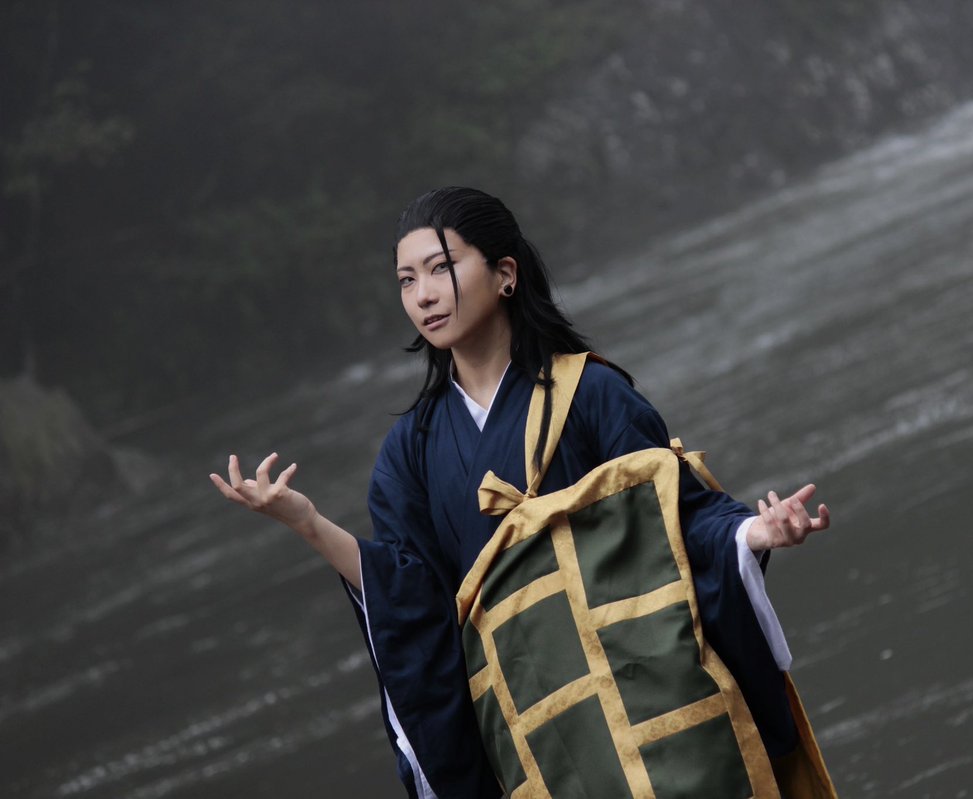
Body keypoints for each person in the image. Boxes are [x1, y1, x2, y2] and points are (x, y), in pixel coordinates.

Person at [209, 186, 833, 798]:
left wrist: (753, 532)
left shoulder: (590, 394)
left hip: (649, 700)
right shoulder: (409, 452)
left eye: (441, 268)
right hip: (533, 736)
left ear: (505, 274)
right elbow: (411, 597)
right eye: (406, 280)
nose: (423, 294)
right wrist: (308, 523)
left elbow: (677, 519)